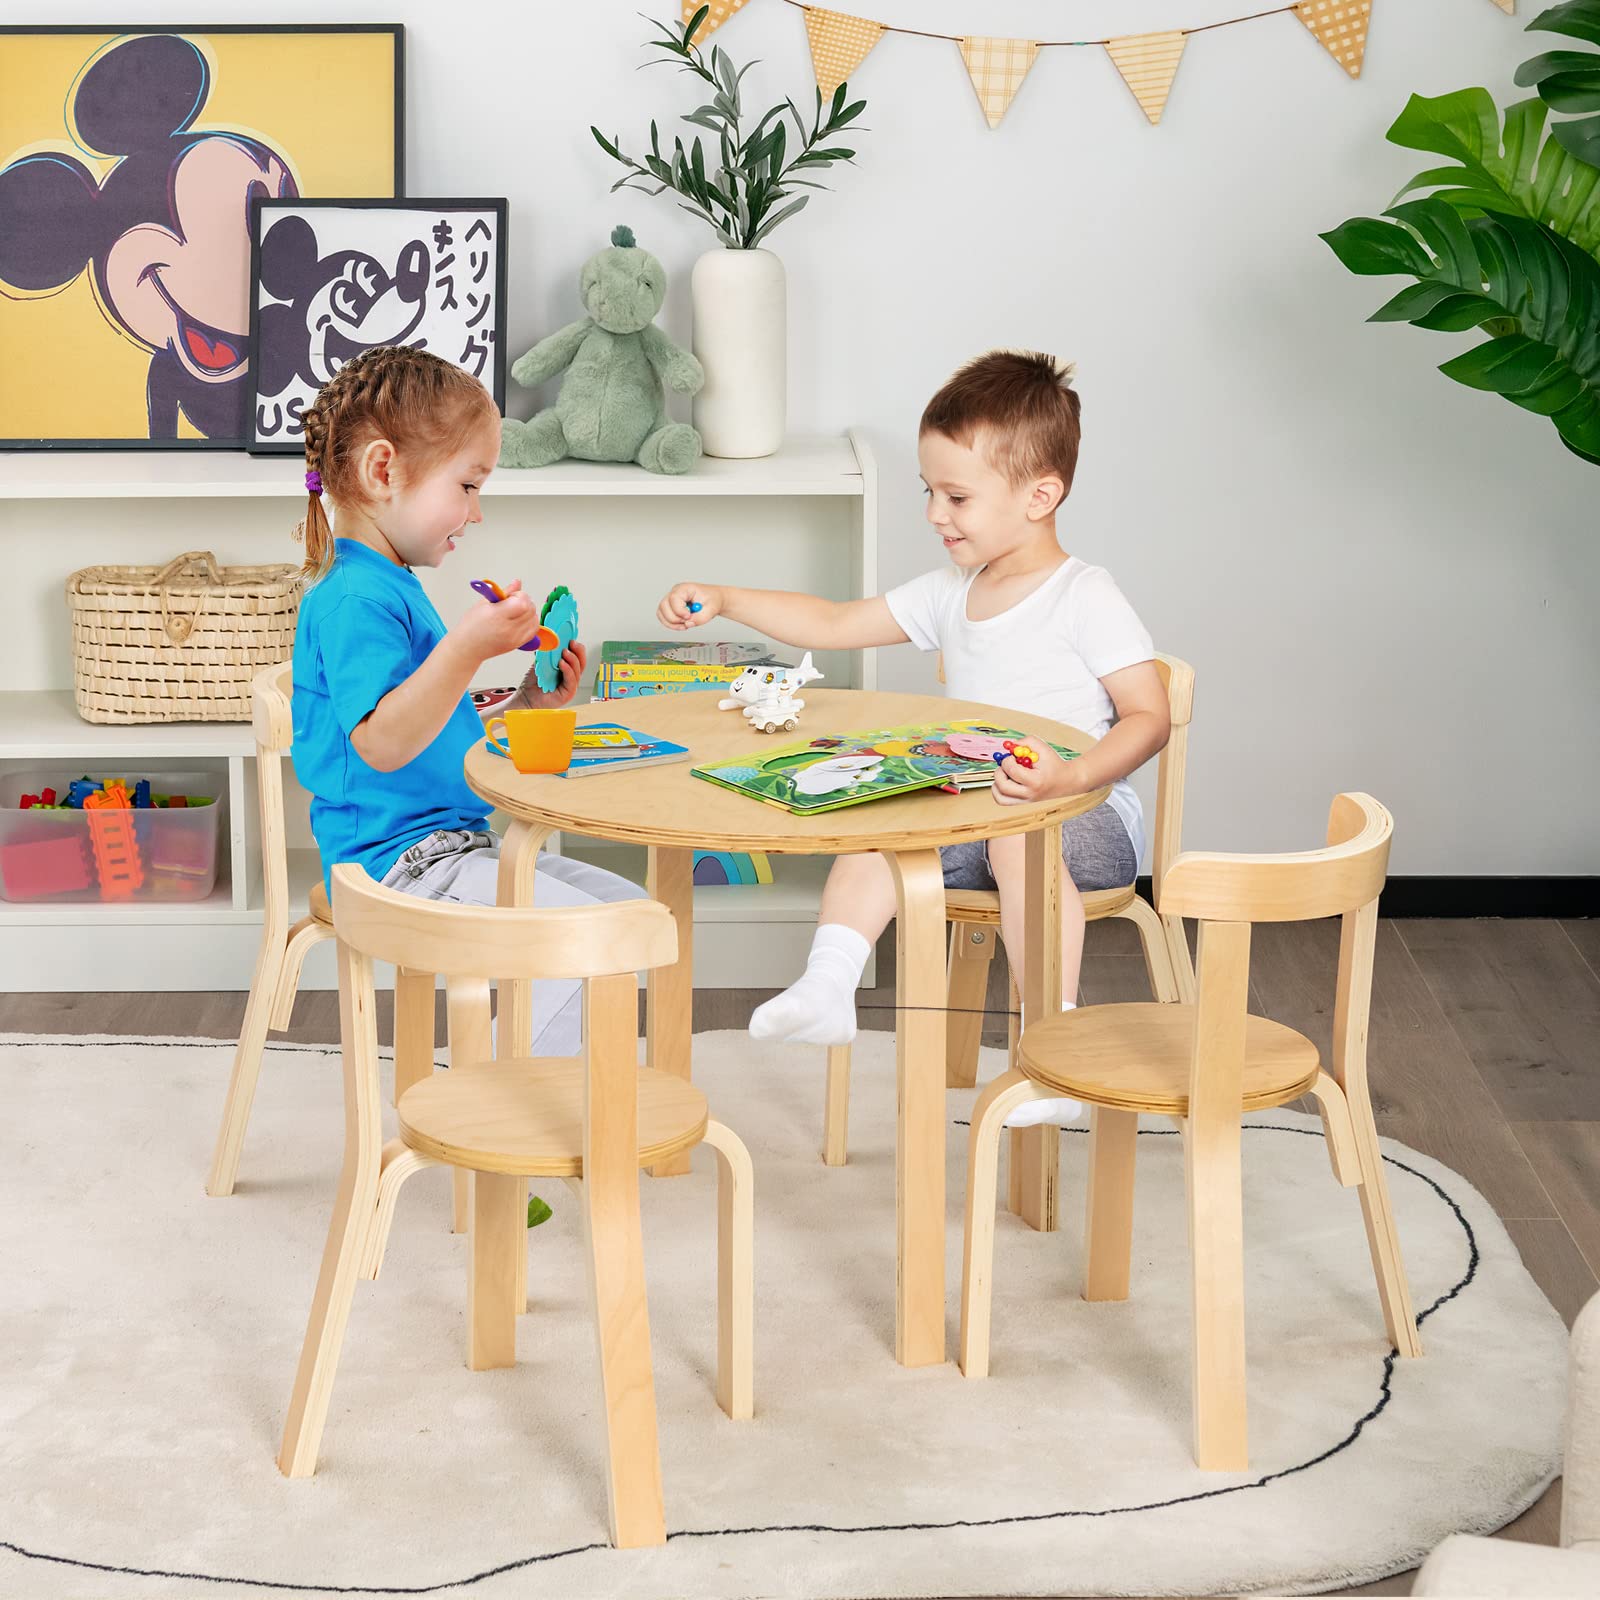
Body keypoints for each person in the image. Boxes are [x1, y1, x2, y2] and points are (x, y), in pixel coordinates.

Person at [657, 349, 1169, 1125]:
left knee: (1015, 838)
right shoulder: (951, 594)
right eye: (929, 491)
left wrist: (1070, 779)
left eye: (957, 496)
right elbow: (832, 622)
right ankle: (829, 984)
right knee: (880, 827)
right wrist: (726, 596)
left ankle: (1054, 1051)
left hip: (1082, 817)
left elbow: (1149, 715)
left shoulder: (1083, 597)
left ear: (1041, 495)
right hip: (979, 803)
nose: (935, 513)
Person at [290, 344, 640, 1055]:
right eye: (470, 485)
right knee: (577, 943)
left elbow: (439, 733)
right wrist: (467, 648)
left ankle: (575, 1099)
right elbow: (383, 744)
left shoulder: (390, 585)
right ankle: (504, 1107)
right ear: (384, 470)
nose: (476, 513)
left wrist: (528, 706)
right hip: (395, 865)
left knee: (625, 914)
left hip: (453, 848)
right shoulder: (352, 599)